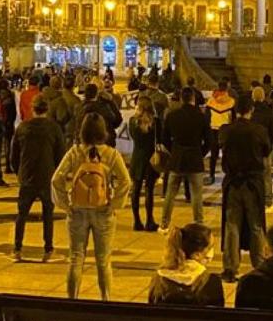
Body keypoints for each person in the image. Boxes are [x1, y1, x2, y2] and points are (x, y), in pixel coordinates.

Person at [52, 112, 131, 300]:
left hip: (78, 209)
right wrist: (115, 203)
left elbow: (56, 179)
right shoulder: (111, 154)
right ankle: (105, 299)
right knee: (103, 260)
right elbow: (126, 181)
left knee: (76, 258)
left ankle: (73, 299)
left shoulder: (75, 152)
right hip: (103, 210)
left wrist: (65, 203)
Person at [217, 93, 271, 282]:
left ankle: (231, 267)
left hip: (233, 182)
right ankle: (259, 263)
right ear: (251, 110)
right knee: (256, 224)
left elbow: (221, 145)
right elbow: (266, 150)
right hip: (253, 183)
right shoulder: (259, 131)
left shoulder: (226, 130)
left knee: (232, 224)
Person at [11, 95, 65, 262]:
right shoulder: (54, 128)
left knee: (22, 213)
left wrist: (18, 171)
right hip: (47, 175)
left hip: (27, 174)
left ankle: (17, 248)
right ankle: (48, 249)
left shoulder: (22, 127)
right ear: (46, 109)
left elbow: (14, 154)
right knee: (48, 213)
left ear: (33, 109)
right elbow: (60, 153)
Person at [160, 86, 209, 229]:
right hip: (194, 156)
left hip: (177, 157)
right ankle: (198, 222)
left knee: (171, 193)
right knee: (196, 194)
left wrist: (173, 150)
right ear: (193, 99)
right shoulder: (201, 117)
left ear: (181, 99)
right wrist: (201, 152)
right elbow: (209, 140)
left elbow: (165, 138)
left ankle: (164, 222)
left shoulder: (173, 116)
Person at [127, 94, 161, 231]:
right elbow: (160, 139)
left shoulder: (132, 122)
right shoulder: (156, 122)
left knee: (135, 189)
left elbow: (133, 138)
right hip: (151, 159)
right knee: (149, 190)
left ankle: (136, 220)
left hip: (137, 158)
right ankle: (149, 220)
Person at [204, 80, 235, 184]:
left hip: (213, 129)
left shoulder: (211, 101)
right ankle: (228, 174)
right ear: (227, 89)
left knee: (213, 154)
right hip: (226, 130)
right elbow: (234, 118)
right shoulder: (231, 102)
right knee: (227, 154)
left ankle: (211, 175)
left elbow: (206, 118)